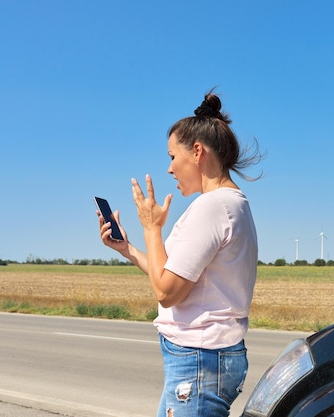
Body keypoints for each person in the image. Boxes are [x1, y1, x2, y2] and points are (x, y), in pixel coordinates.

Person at [97, 89, 261, 417]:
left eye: (172, 156)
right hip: (204, 359)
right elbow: (173, 276)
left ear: (197, 151)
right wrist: (128, 249)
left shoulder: (213, 207)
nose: (170, 169)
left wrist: (151, 228)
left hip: (198, 361)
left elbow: (166, 292)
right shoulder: (232, 204)